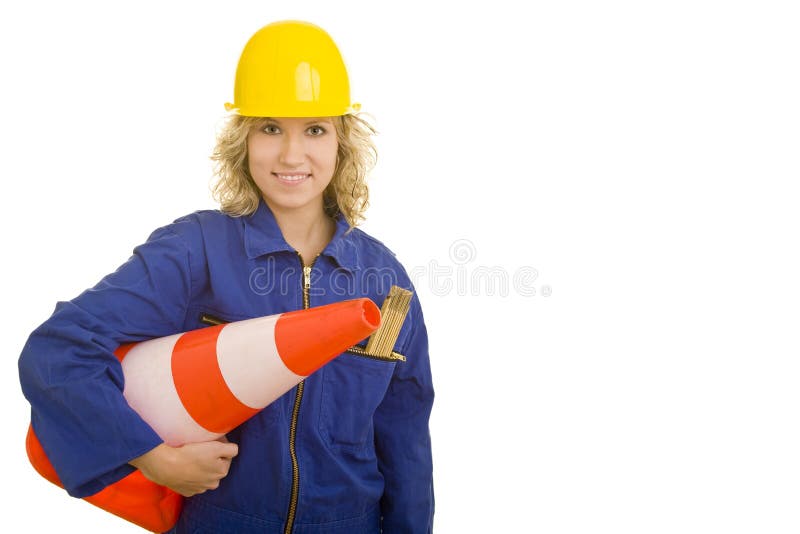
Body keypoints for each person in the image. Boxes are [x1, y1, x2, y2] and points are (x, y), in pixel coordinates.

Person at [18, 20, 434, 533]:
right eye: (270, 128)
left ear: (342, 142)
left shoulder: (386, 282)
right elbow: (59, 350)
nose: (292, 155)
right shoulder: (195, 250)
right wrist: (150, 456)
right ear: (243, 139)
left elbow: (406, 441)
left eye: (315, 129)